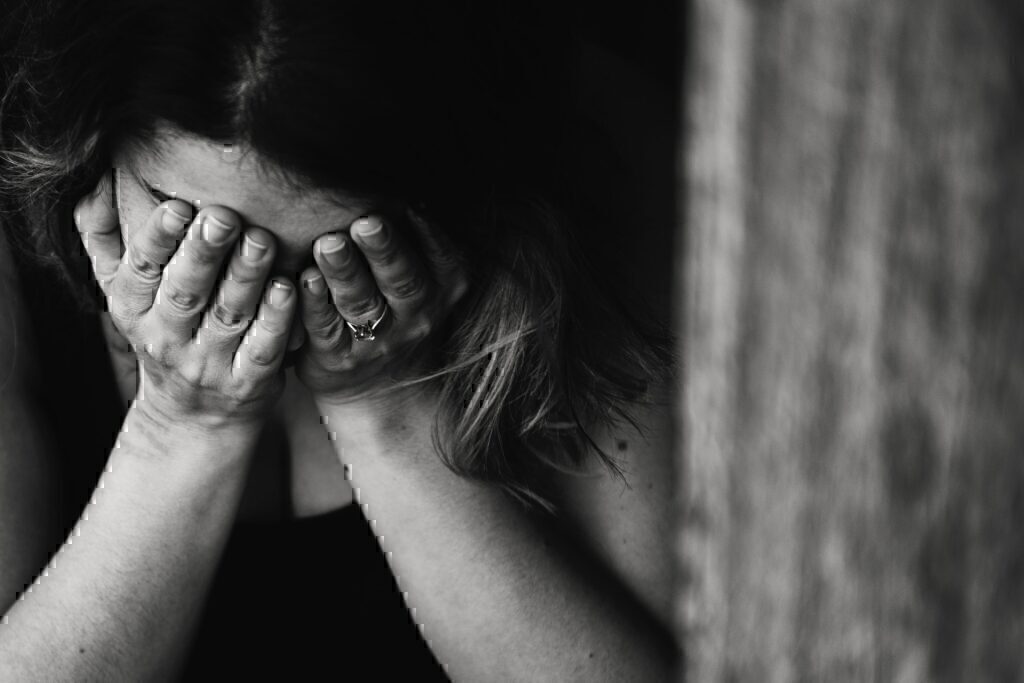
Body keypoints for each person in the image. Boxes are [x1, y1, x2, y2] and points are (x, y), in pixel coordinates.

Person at [0, 0, 677, 679]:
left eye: (337, 253)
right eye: (197, 234)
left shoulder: (598, 159)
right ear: (92, 143)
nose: (266, 305)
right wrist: (178, 425)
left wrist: (385, 407)